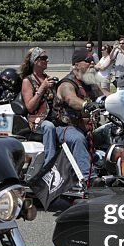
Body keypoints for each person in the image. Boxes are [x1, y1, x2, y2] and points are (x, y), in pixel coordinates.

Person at [53, 48, 104, 184]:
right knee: (78, 139)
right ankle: (90, 179)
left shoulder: (90, 83)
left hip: (88, 128)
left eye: (93, 60)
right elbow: (71, 99)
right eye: (88, 61)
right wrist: (86, 105)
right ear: (76, 64)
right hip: (66, 127)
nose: (92, 63)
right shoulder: (67, 83)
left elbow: (105, 95)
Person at [19, 46, 58, 160]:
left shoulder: (48, 78)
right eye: (44, 58)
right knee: (49, 127)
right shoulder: (28, 81)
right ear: (35, 61)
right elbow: (30, 107)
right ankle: (49, 164)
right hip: (37, 120)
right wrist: (42, 88)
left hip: (53, 116)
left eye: (47, 58)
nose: (47, 60)